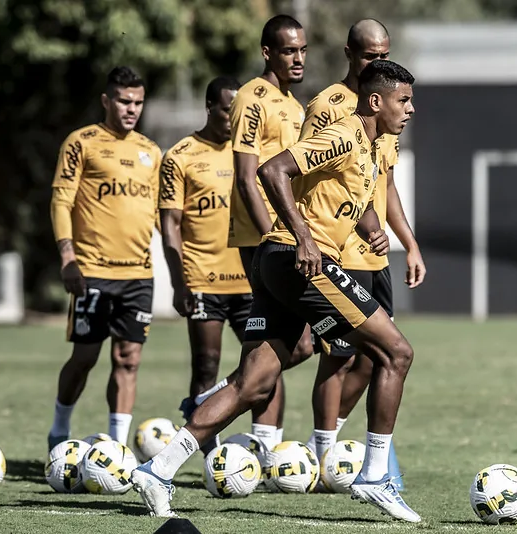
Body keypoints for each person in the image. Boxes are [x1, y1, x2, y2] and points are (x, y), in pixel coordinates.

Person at [132, 60, 421, 523]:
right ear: (375, 101)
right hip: (300, 260)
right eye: (403, 100)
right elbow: (273, 170)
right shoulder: (344, 135)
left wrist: (373, 229)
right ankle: (374, 476)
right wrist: (304, 237)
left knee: (253, 382)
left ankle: (158, 469)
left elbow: (352, 201)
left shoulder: (372, 146)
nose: (410, 109)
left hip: (279, 261)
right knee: (396, 353)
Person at [302, 19, 426, 491]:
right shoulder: (329, 106)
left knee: (376, 358)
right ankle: (320, 457)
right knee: (336, 356)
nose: (378, 61)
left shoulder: (390, 109)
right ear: (350, 54)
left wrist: (408, 243)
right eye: (371, 55)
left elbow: (384, 185)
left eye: (384, 54)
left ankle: (328, 447)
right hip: (337, 251)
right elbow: (303, 172)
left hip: (374, 256)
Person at [178, 14, 312, 450]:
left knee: (288, 348)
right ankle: (247, 436)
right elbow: (245, 177)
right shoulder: (252, 98)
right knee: (295, 343)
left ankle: (222, 409)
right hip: (263, 241)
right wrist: (275, 236)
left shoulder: (294, 105)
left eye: (303, 50)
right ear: (267, 53)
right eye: (289, 50)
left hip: (287, 236)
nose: (298, 58)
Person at [47, 66, 162, 451]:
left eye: (138, 102)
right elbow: (61, 201)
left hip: (139, 274)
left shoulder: (150, 151)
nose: (132, 109)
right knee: (84, 357)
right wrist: (68, 256)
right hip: (92, 271)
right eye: (124, 101)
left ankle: (117, 448)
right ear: (106, 101)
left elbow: (159, 213)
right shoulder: (81, 142)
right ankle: (59, 429)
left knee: (128, 359)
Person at [159, 76, 248, 452]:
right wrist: (178, 282)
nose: (234, 118)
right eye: (228, 110)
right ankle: (210, 455)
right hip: (203, 279)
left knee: (268, 366)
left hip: (250, 279)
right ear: (209, 107)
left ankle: (266, 444)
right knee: (206, 364)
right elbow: (170, 225)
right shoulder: (180, 156)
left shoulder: (250, 151)